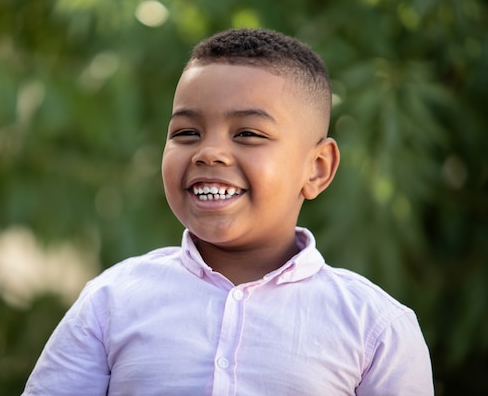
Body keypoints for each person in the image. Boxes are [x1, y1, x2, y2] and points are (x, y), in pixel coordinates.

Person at [21, 28, 434, 395]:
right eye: (186, 132)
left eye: (248, 133)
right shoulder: (111, 303)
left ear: (317, 168)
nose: (210, 152)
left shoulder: (375, 328)